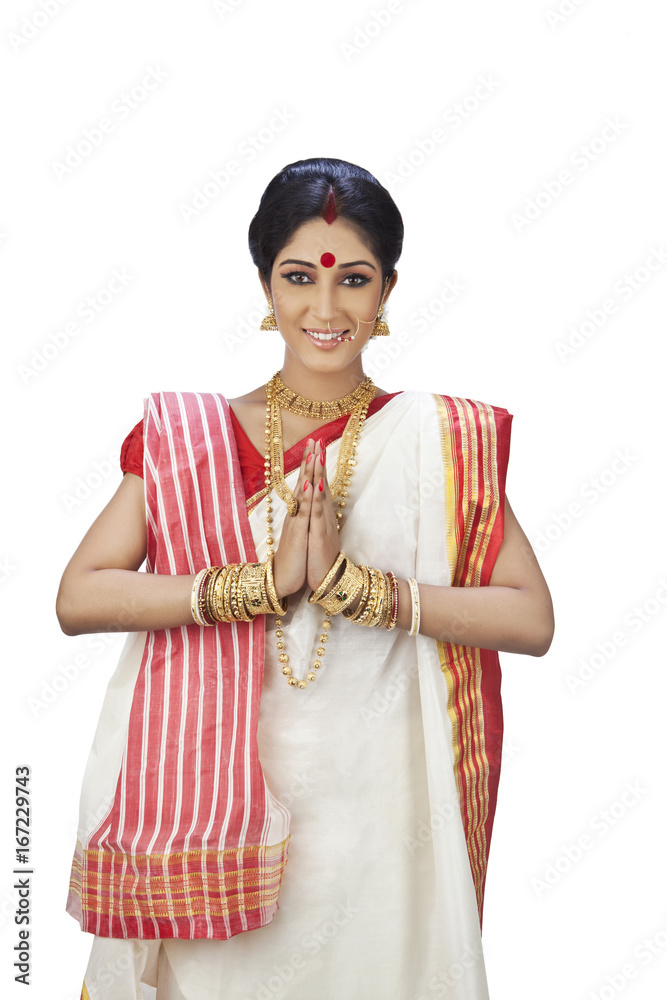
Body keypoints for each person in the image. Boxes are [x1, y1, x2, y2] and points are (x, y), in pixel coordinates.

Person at [56, 156, 554, 1000]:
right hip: (207, 810)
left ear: (387, 289)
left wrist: (362, 591)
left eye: (353, 279)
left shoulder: (437, 441)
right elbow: (80, 596)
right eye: (298, 278)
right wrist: (258, 585)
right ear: (264, 285)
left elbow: (529, 618)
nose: (325, 309)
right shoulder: (189, 436)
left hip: (380, 809)